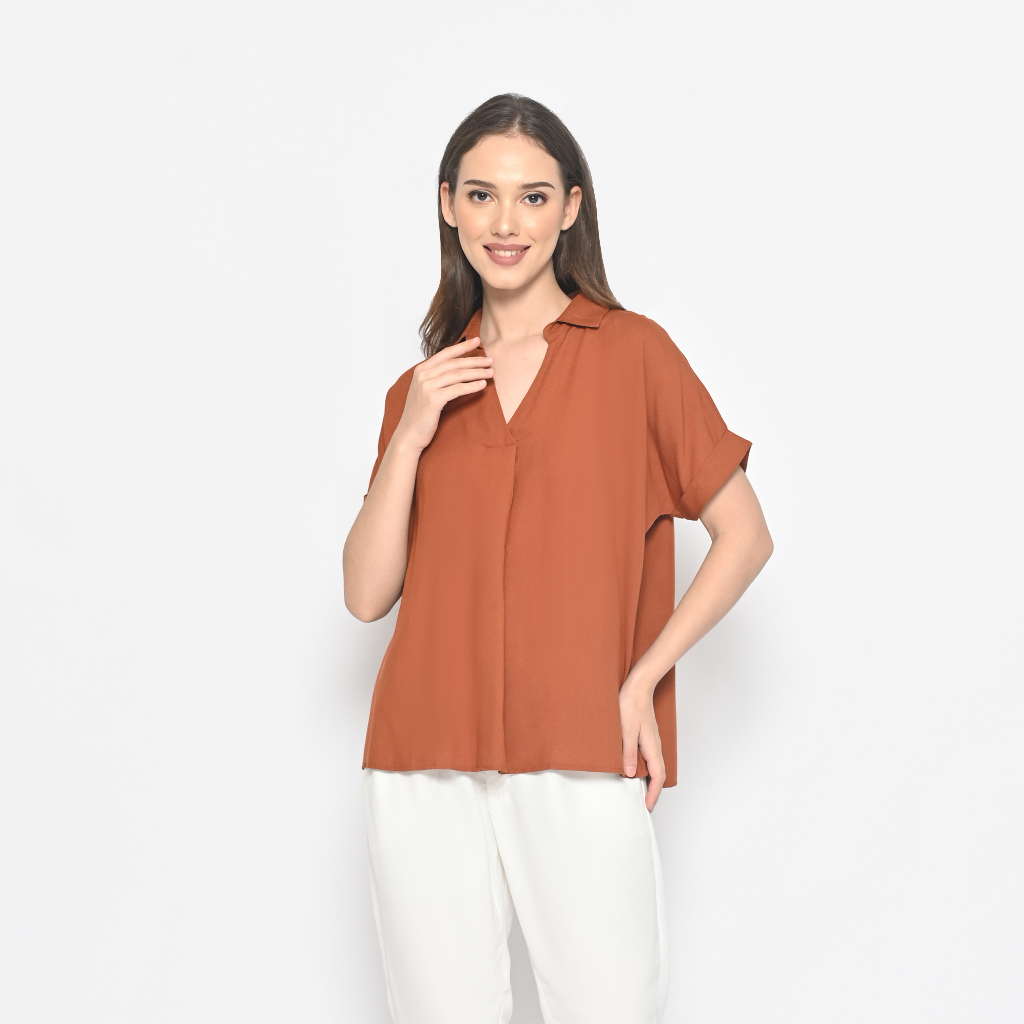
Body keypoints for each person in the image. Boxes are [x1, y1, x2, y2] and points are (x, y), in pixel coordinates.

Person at [343, 93, 773, 1024]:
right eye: (482, 195)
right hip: (422, 755)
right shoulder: (421, 388)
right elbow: (368, 595)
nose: (506, 223)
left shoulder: (634, 355)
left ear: (571, 207)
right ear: (448, 204)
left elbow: (746, 536)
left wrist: (642, 680)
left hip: (581, 745)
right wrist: (412, 430)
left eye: (533, 197)